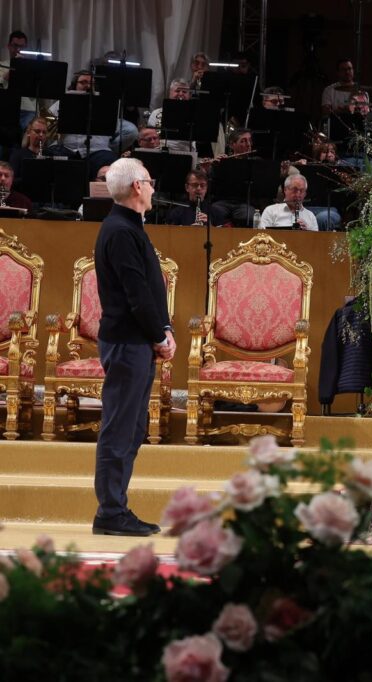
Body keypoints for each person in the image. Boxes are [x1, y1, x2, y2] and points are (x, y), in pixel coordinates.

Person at [91, 157, 172, 537]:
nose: (154, 187)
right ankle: (110, 511)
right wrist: (158, 335)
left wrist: (164, 328)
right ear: (137, 187)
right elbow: (136, 293)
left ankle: (116, 506)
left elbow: (149, 287)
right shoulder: (120, 230)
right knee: (120, 428)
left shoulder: (129, 226)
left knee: (133, 427)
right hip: (127, 342)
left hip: (136, 340)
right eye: (150, 182)